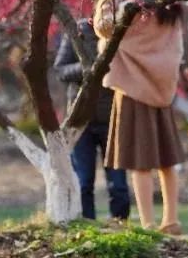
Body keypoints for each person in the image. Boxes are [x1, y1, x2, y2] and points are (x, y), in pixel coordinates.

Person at [94, 0, 184, 234]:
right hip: (162, 88)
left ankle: (146, 223)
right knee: (167, 160)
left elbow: (103, 26)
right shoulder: (172, 1)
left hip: (131, 86)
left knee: (140, 162)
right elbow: (175, 47)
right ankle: (171, 220)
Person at [53, 20, 130, 221]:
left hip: (114, 118)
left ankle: (121, 226)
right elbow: (61, 69)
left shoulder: (121, 29)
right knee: (83, 181)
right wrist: (88, 68)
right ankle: (87, 224)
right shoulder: (77, 30)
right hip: (81, 121)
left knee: (118, 183)